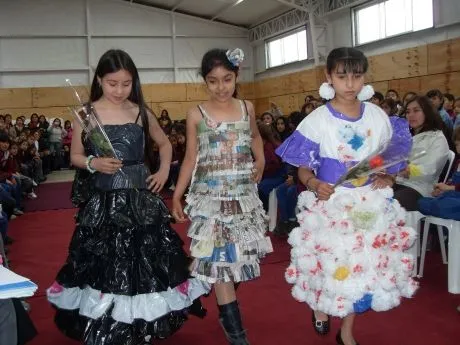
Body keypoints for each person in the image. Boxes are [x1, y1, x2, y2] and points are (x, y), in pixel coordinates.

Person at [46, 49, 209, 345]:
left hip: (140, 201)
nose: (119, 90)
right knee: (106, 264)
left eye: (126, 83)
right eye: (112, 83)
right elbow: (75, 156)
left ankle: (140, 324)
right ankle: (108, 322)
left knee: (145, 263)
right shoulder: (87, 114)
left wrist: (161, 172)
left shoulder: (140, 112)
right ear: (99, 80)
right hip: (104, 204)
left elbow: (165, 144)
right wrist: (93, 163)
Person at [276, 47, 418, 345]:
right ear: (329, 77)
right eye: (342, 76)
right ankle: (320, 305)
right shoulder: (318, 120)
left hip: (367, 204)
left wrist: (388, 175)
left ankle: (347, 331)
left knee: (358, 268)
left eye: (356, 76)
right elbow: (303, 169)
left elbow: (389, 158)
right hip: (331, 205)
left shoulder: (377, 116)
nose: (350, 84)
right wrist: (314, 183)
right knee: (327, 262)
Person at [171, 48, 272, 345]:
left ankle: (204, 286)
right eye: (213, 81)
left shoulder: (247, 108)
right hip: (211, 200)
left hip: (243, 196)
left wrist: (261, 160)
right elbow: (190, 157)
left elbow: (255, 136)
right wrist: (177, 195)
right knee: (222, 265)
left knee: (238, 260)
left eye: (227, 79)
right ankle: (235, 330)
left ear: (236, 76)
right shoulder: (196, 114)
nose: (221, 87)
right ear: (205, 81)